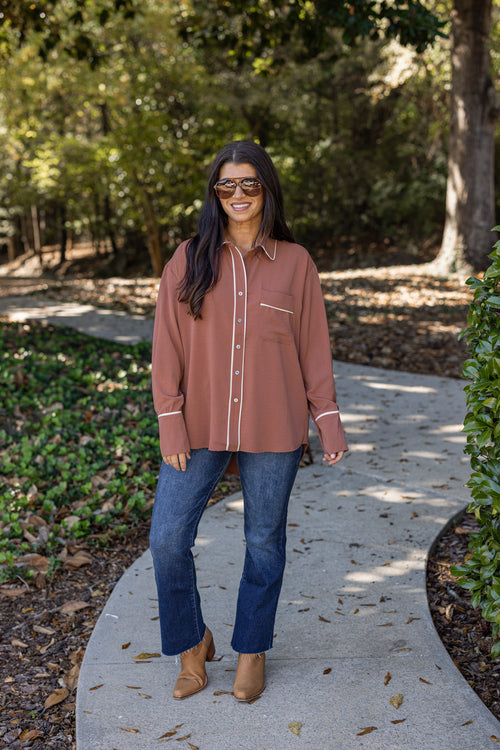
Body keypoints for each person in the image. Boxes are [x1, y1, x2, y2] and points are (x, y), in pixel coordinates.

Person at [149, 140, 348, 703]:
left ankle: (252, 649)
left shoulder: (295, 262)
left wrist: (327, 419)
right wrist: (170, 419)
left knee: (263, 541)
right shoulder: (187, 259)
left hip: (274, 426)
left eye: (249, 184)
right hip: (200, 423)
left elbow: (313, 349)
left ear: (266, 190)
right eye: (226, 185)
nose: (238, 194)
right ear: (215, 193)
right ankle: (193, 643)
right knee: (166, 538)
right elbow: (167, 346)